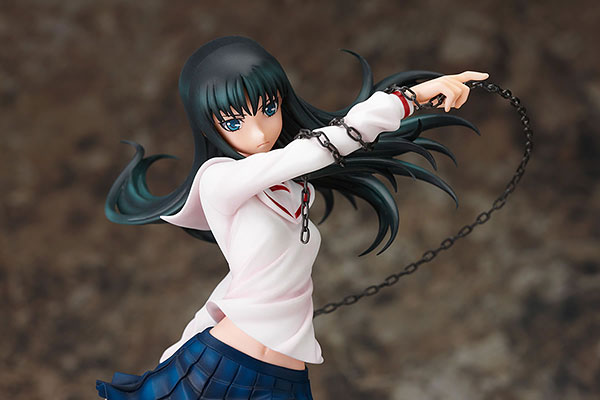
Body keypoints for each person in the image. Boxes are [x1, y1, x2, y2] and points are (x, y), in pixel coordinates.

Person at [98, 36, 488, 400]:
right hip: (222, 367)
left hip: (285, 378)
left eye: (269, 109)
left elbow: (249, 274)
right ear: (208, 127)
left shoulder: (295, 189)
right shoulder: (219, 179)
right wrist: (409, 98)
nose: (258, 133)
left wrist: (202, 326)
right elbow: (314, 150)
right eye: (233, 122)